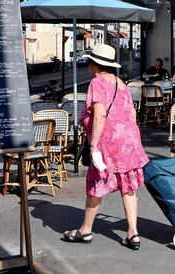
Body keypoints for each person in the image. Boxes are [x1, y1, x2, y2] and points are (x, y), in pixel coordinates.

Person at [64, 43, 149, 247]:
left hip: (109, 143)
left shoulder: (98, 83)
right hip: (129, 142)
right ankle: (133, 233)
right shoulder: (121, 83)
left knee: (97, 184)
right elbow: (132, 113)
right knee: (128, 187)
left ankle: (85, 231)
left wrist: (93, 146)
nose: (88, 66)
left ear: (95, 64)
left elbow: (100, 114)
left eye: (89, 63)